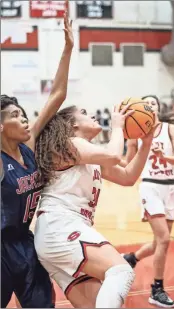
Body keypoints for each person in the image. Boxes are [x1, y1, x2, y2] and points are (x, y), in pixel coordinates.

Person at [34, 103, 159, 308]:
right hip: (61, 226)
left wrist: (145, 143)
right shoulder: (69, 143)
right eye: (83, 112)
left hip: (57, 236)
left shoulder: (89, 156)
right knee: (121, 271)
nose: (90, 113)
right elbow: (114, 155)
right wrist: (117, 126)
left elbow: (128, 177)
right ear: (72, 124)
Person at [1, 3, 74, 307]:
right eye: (16, 116)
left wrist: (67, 49)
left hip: (26, 243)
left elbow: (57, 95)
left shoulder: (27, 149)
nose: (25, 119)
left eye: (23, 114)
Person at [122, 95, 174, 308]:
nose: (150, 106)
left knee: (160, 242)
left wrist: (164, 156)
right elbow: (127, 161)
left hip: (171, 187)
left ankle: (131, 259)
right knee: (165, 239)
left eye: (153, 103)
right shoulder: (135, 132)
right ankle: (156, 290)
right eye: (146, 103)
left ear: (158, 108)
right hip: (150, 186)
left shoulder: (170, 129)